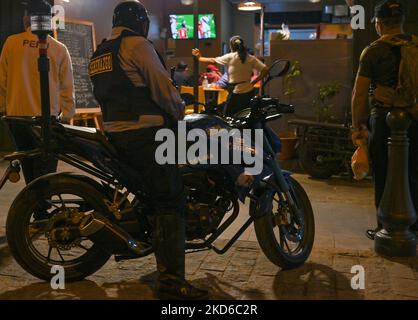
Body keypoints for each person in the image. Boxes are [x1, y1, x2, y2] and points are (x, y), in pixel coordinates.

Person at [89, 0, 208, 300]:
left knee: (153, 193)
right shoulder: (138, 46)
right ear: (140, 22)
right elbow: (164, 90)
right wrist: (180, 112)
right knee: (171, 198)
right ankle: (171, 282)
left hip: (116, 136)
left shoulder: (100, 51)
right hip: (146, 137)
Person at [351, 0, 418, 240]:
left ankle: (385, 226)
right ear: (401, 22)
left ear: (378, 24)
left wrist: (357, 125)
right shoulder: (416, 46)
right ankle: (413, 225)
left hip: (382, 118)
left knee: (383, 171)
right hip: (413, 117)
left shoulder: (372, 51)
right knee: (412, 170)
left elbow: (359, 93)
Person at [0, 0, 75, 184]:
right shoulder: (59, 48)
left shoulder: (12, 43)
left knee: (29, 168)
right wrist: (67, 116)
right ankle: (43, 208)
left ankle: (33, 205)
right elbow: (67, 87)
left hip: (16, 117)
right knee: (46, 172)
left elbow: (2, 81)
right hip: (47, 120)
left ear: (27, 17)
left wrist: (3, 108)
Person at [192, 35, 268, 116]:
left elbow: (212, 60)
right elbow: (265, 70)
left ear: (231, 47)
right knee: (247, 115)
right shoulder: (250, 58)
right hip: (249, 92)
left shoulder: (230, 57)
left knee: (228, 115)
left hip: (235, 92)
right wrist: (253, 82)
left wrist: (199, 58)